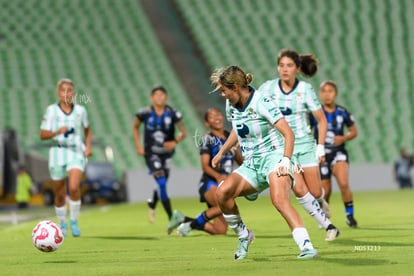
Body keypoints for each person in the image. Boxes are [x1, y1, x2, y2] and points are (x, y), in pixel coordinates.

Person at [210, 65, 318, 260]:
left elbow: (288, 133)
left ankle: (307, 246)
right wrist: (221, 152)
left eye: (224, 90)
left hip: (274, 158)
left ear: (235, 87)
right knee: (222, 193)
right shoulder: (231, 104)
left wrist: (285, 161)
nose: (223, 95)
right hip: (251, 164)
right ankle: (244, 236)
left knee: (279, 200)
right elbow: (238, 129)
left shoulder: (262, 102)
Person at [259, 49, 339, 241]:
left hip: (304, 145)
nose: (285, 69)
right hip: (283, 147)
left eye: (289, 66)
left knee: (315, 190)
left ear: (297, 68)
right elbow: (254, 105)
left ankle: (320, 201)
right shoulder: (268, 88)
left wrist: (320, 147)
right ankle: (326, 225)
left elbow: (321, 120)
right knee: (299, 189)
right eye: (281, 65)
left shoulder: (305, 90)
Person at [167, 108, 243, 236]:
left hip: (224, 184)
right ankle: (189, 227)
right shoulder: (207, 139)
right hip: (210, 183)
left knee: (219, 231)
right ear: (207, 123)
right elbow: (205, 166)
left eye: (218, 114)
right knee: (225, 205)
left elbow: (239, 160)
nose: (217, 117)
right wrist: (219, 177)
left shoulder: (230, 137)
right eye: (212, 116)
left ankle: (182, 219)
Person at [40, 78, 92, 237]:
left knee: (75, 187)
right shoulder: (51, 111)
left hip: (76, 152)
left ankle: (74, 221)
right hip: (57, 152)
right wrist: (56, 132)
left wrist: (88, 146)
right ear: (58, 92)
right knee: (60, 193)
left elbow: (87, 129)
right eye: (63, 90)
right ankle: (62, 223)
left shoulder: (80, 111)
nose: (66, 93)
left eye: (69, 90)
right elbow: (42, 134)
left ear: (74, 93)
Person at [133, 86, 187, 224]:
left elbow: (183, 132)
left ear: (166, 97)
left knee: (161, 184)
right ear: (151, 98)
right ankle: (171, 218)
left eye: (162, 95)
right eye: (156, 95)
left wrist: (175, 141)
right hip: (151, 153)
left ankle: (152, 204)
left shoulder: (173, 113)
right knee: (162, 182)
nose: (159, 97)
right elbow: (135, 127)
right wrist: (138, 146)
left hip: (167, 154)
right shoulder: (144, 113)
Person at [310, 80, 358, 227]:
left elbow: (354, 131)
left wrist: (343, 138)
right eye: (324, 91)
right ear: (320, 94)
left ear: (335, 94)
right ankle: (324, 218)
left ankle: (350, 216)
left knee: (343, 183)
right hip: (322, 155)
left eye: (330, 91)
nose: (327, 94)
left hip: (339, 153)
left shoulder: (343, 112)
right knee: (326, 190)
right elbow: (307, 131)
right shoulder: (315, 114)